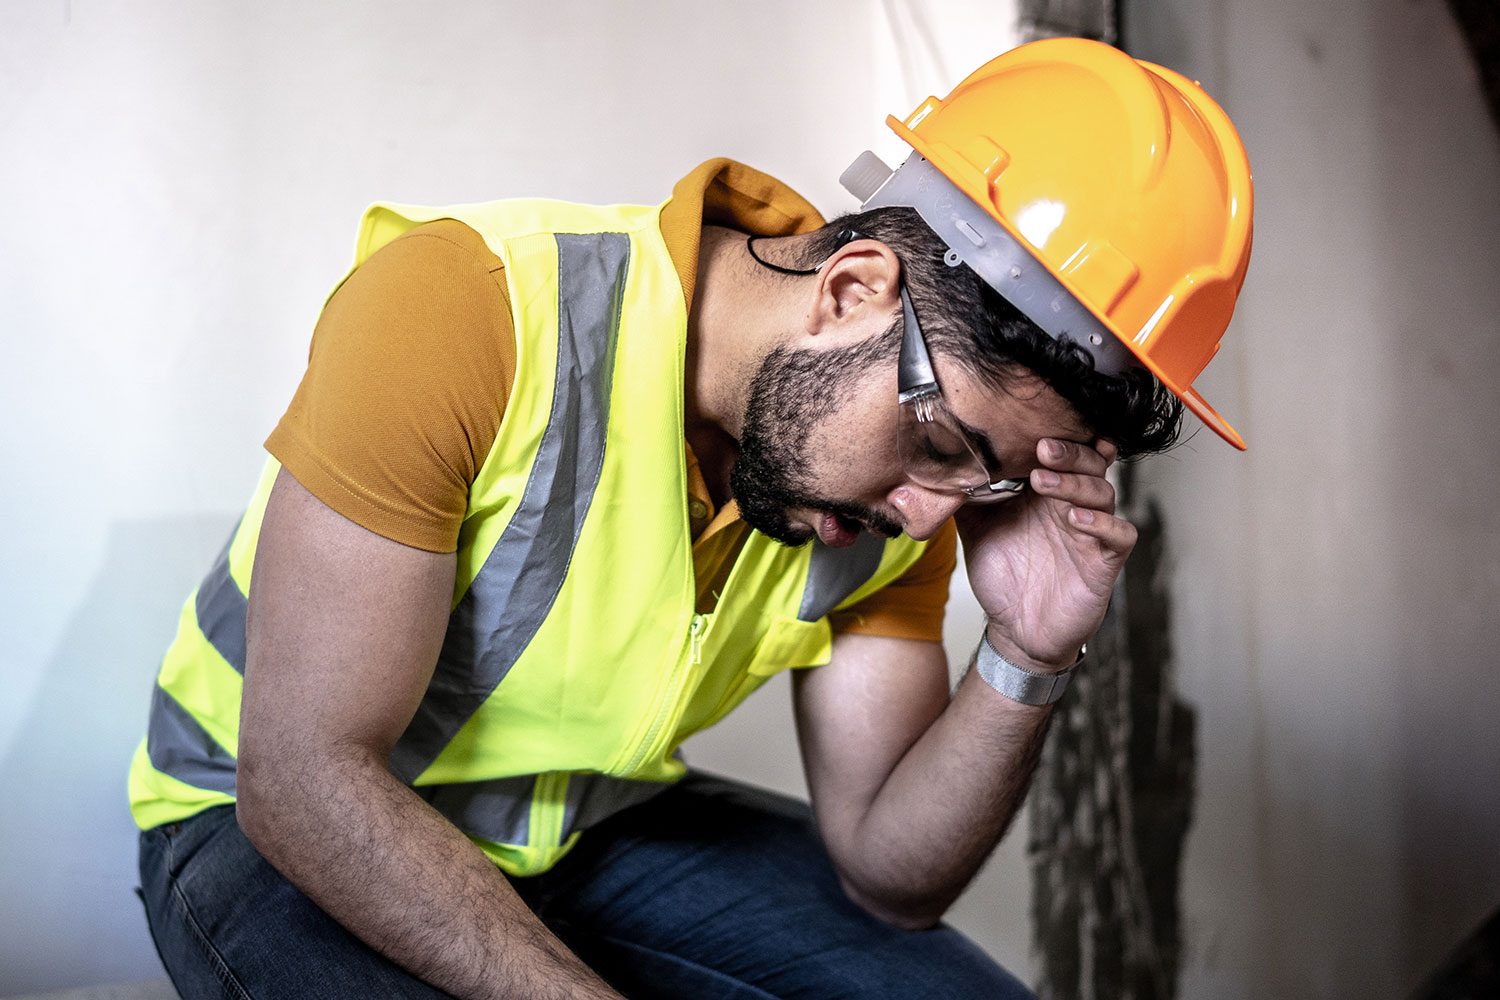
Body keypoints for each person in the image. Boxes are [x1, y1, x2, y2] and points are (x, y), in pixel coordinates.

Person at [129, 37, 1252, 1000]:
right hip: (253, 823)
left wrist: (1025, 649)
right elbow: (305, 779)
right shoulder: (470, 308)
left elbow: (888, 874)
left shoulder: (903, 498)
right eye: (947, 445)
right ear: (852, 290)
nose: (927, 519)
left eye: (987, 480)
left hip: (578, 831)